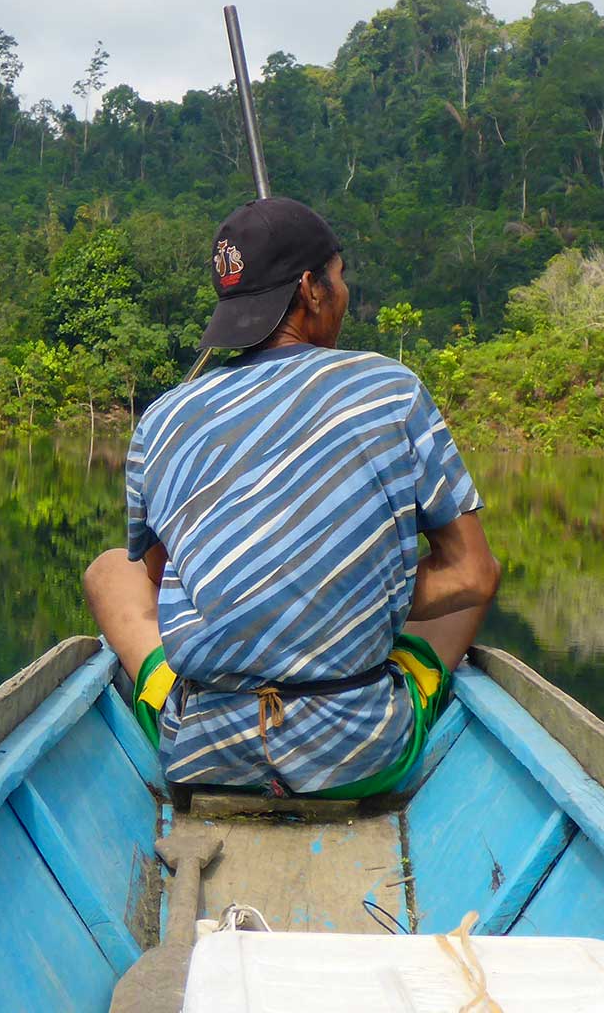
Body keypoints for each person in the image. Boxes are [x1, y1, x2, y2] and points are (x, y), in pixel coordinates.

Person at [84, 197, 500, 798]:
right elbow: (473, 576)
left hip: (204, 754)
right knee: (476, 576)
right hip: (357, 757)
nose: (344, 291)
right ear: (310, 290)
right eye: (339, 276)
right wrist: (349, 593)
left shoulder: (163, 418)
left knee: (109, 572)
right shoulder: (391, 390)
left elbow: (157, 573)